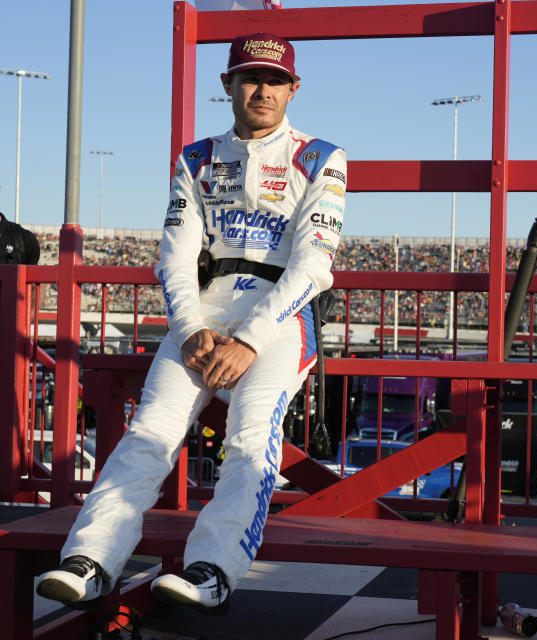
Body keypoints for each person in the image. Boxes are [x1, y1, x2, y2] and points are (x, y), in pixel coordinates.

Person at [36, 32, 346, 615]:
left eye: (275, 81)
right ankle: (91, 558)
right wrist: (189, 328)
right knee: (151, 429)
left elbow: (314, 263)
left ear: (293, 89)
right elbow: (175, 254)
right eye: (250, 78)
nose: (262, 90)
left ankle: (214, 568)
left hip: (281, 316)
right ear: (227, 84)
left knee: (251, 437)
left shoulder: (319, 156)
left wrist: (250, 340)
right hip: (203, 311)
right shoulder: (196, 157)